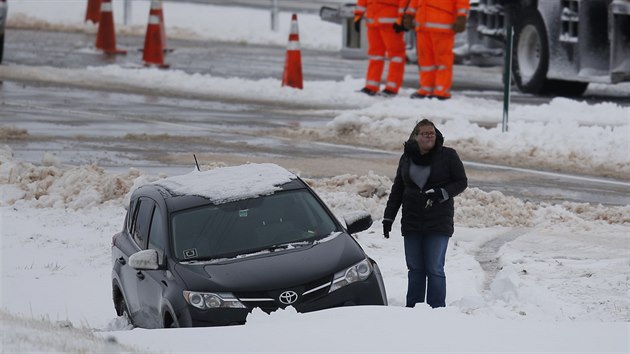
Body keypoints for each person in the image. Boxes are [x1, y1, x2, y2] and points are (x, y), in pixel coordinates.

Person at [382, 119, 467, 308]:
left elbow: (461, 181)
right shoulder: (406, 158)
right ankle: (413, 308)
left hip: (438, 221)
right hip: (412, 220)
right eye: (425, 133)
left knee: (434, 268)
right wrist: (388, 217)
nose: (429, 136)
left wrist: (442, 193)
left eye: (432, 133)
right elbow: (398, 189)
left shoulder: (448, 155)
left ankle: (436, 309)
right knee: (415, 269)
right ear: (416, 136)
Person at [408, 0, 470, 100]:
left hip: (443, 26)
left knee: (442, 61)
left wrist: (461, 16)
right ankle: (426, 88)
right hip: (423, 27)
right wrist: (409, 14)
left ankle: (441, 90)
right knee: (425, 61)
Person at [354, 0, 410, 96]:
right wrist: (358, 14)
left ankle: (392, 87)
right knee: (375, 55)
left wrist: (402, 17)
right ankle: (371, 86)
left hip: (390, 22)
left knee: (396, 56)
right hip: (373, 21)